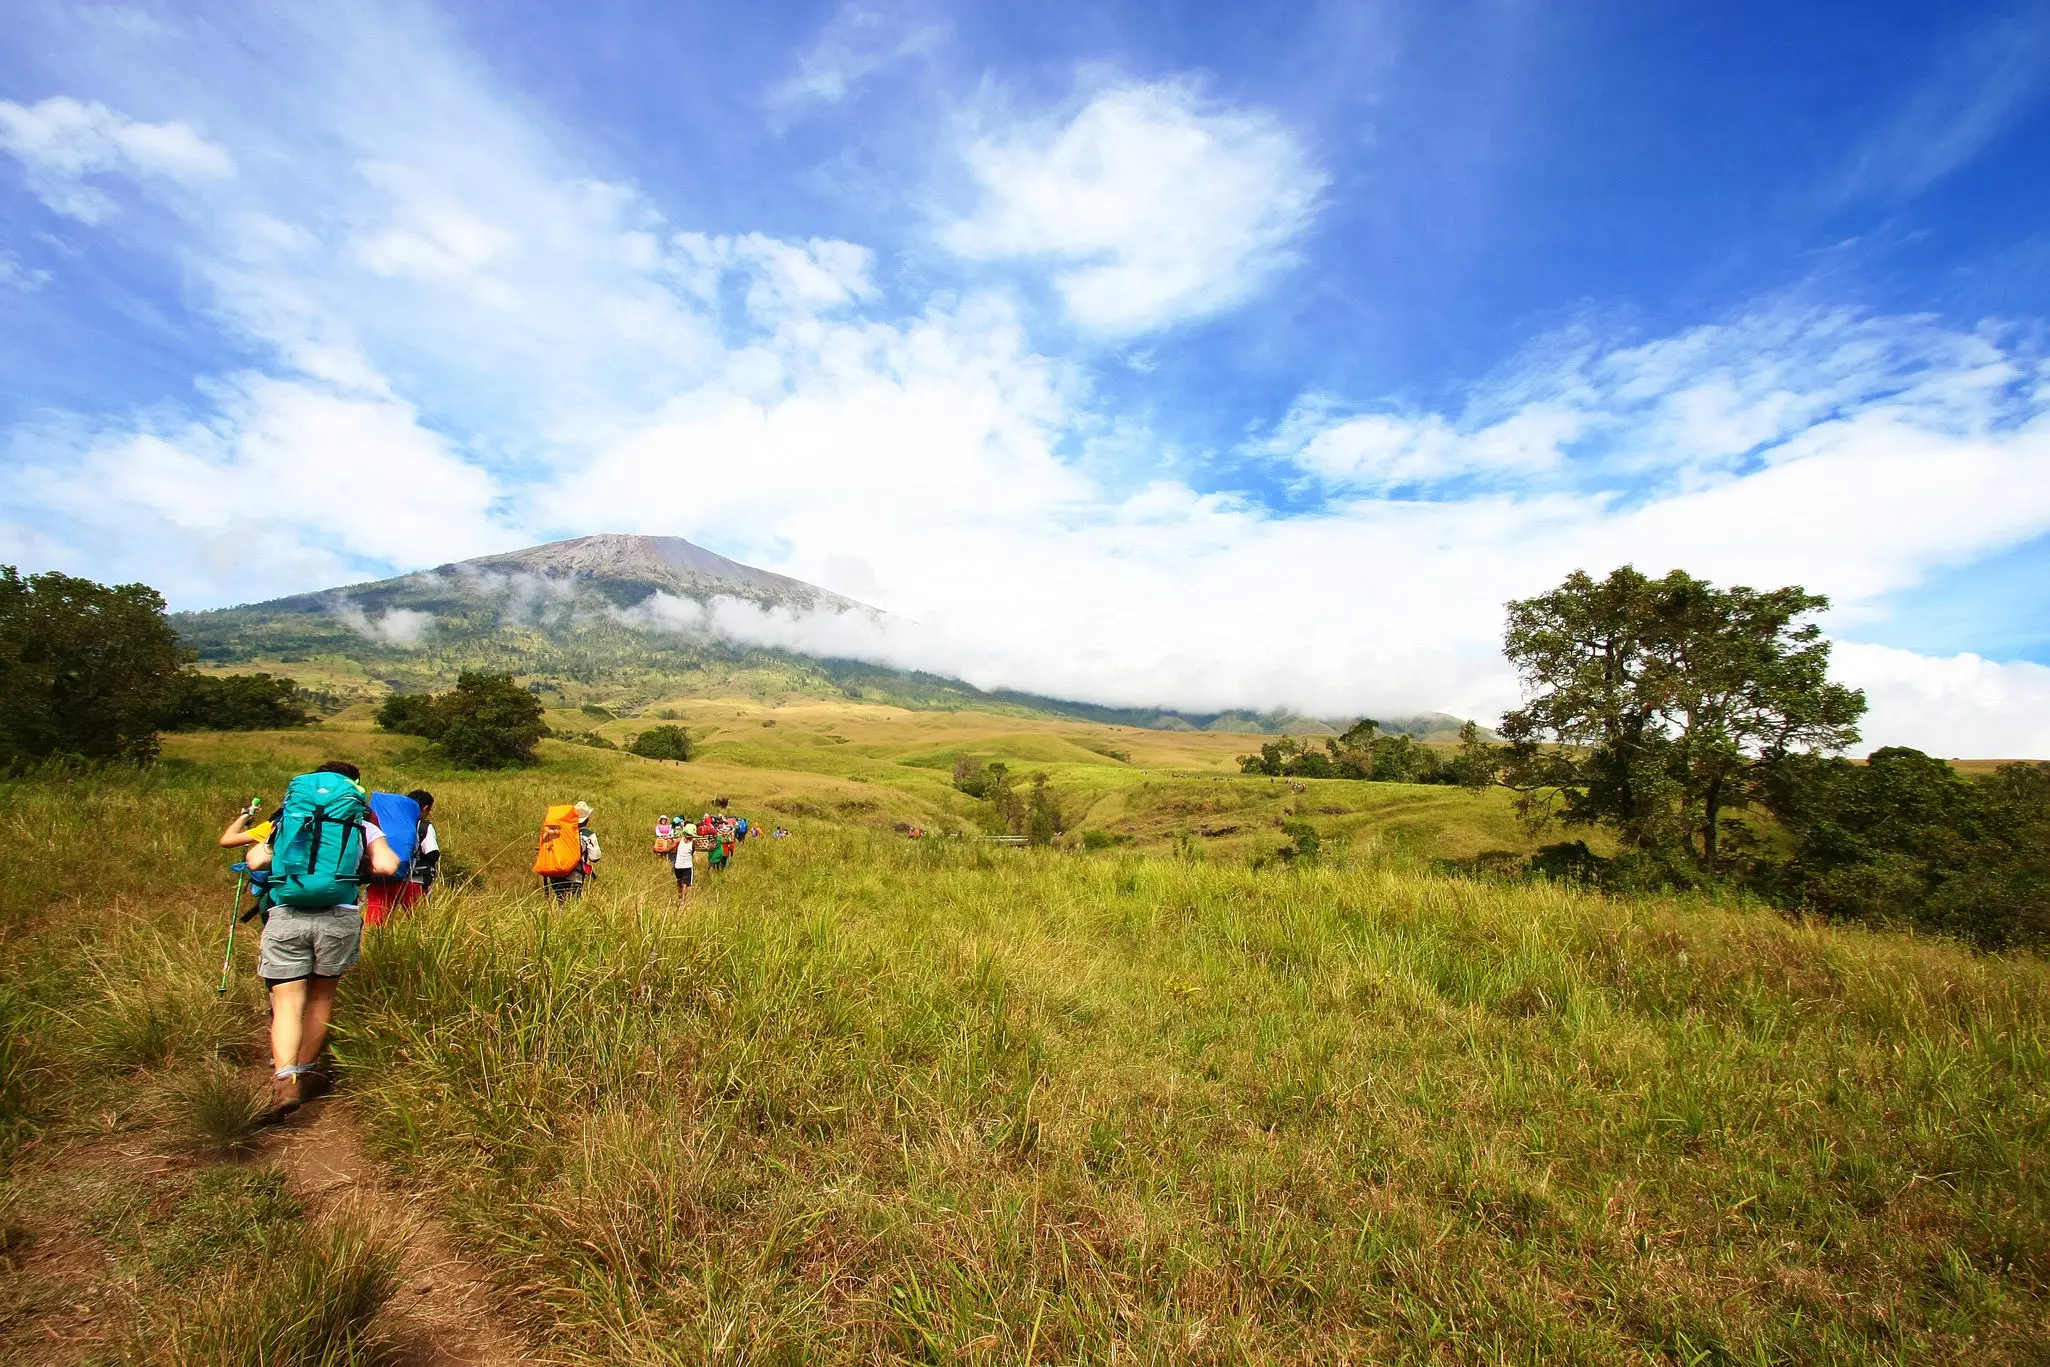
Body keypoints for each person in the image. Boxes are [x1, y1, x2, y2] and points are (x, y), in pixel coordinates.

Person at [252, 760, 398, 1116]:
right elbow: (388, 866)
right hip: (338, 915)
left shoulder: (287, 819)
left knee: (286, 1001)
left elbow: (254, 859)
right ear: (354, 788)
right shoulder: (361, 824)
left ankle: (284, 1079)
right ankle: (304, 1071)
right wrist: (351, 869)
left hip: (286, 912)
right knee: (321, 996)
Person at [672, 819, 697, 901]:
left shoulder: (679, 840)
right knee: (682, 884)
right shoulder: (692, 842)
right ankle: (681, 900)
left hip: (679, 866)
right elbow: (693, 852)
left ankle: (681, 900)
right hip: (685, 866)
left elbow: (670, 849)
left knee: (681, 884)